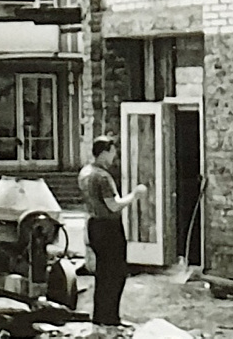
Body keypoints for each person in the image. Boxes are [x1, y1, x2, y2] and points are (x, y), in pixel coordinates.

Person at [78, 135, 148, 329]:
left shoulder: (84, 172)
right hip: (108, 227)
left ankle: (100, 315)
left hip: (93, 224)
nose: (115, 155)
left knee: (102, 273)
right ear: (104, 152)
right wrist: (135, 195)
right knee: (116, 273)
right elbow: (114, 205)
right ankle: (111, 317)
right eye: (113, 151)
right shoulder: (102, 176)